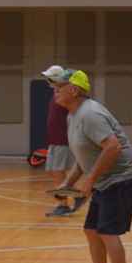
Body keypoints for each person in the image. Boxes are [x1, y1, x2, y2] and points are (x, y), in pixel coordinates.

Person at [53, 70, 132, 263]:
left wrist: (90, 179)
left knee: (107, 231)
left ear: (73, 90)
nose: (54, 89)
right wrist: (69, 181)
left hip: (123, 178)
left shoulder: (90, 114)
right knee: (91, 230)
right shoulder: (73, 115)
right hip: (105, 179)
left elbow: (112, 147)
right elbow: (84, 155)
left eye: (59, 86)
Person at [41, 65, 86, 217]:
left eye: (52, 77)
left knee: (58, 170)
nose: (48, 80)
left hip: (63, 139)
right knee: (53, 170)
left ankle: (64, 204)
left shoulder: (64, 95)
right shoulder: (56, 93)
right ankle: (73, 196)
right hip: (54, 139)